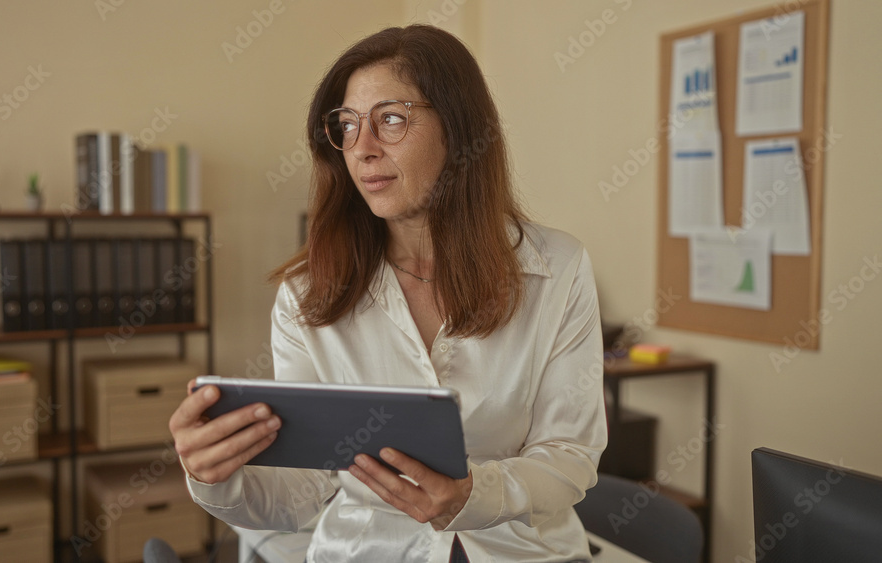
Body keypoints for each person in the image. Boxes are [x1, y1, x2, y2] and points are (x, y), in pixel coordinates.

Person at [170, 24, 607, 563]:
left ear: (460, 129)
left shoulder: (557, 269)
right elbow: (304, 491)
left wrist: (475, 495)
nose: (363, 149)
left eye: (391, 120)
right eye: (347, 126)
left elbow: (569, 455)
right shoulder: (309, 293)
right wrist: (215, 477)